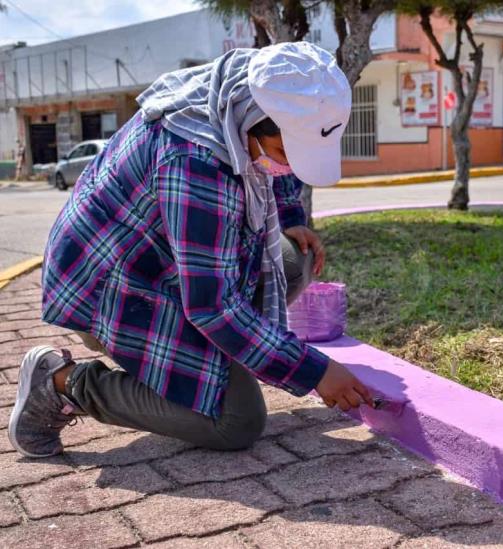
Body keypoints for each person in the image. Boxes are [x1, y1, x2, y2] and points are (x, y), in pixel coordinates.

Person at [8, 42, 373, 459]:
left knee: (293, 261)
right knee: (236, 422)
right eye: (283, 154)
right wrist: (313, 370)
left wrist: (290, 214)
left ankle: (221, 351)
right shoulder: (195, 160)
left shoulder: (239, 89)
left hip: (162, 266)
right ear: (253, 121)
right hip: (112, 288)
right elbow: (211, 307)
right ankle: (62, 382)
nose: (286, 166)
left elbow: (277, 170)